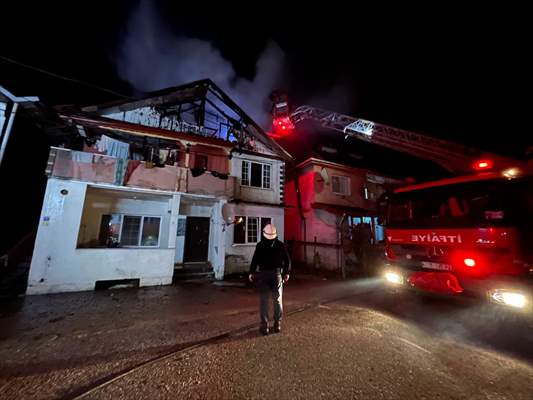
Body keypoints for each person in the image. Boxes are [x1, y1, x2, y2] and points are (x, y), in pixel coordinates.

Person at [249, 224, 291, 335]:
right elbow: (287, 261)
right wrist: (286, 273)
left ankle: (265, 327)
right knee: (277, 300)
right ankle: (277, 324)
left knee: (264, 301)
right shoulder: (281, 245)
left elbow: (255, 260)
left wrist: (251, 272)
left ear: (264, 234)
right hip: (276, 275)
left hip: (263, 275)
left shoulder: (260, 245)